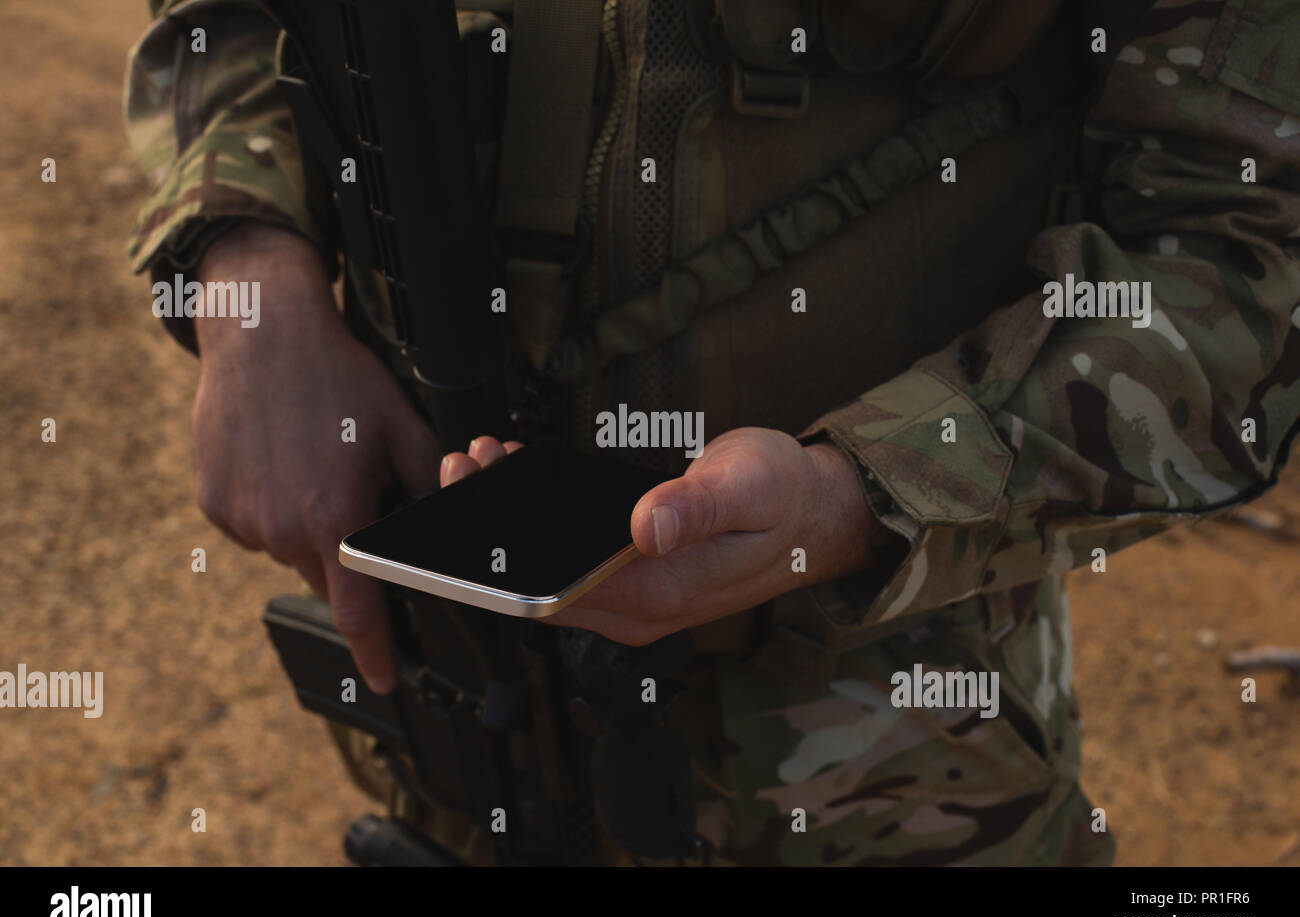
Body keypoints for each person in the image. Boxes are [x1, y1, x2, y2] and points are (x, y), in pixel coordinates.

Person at [124, 0, 1300, 865]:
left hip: (885, 752)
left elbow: (1248, 253)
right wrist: (245, 268)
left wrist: (866, 488)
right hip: (461, 669)